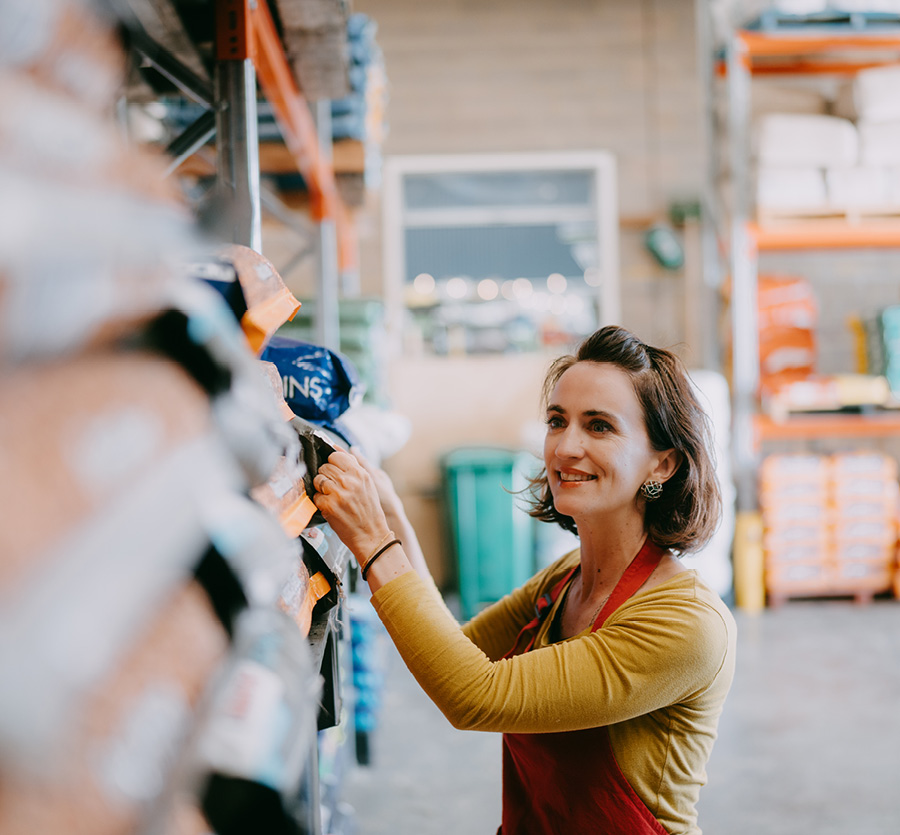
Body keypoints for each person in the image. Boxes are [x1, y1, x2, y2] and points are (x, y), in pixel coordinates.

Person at [312, 325, 737, 835]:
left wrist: (374, 544)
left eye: (599, 426)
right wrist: (392, 515)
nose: (565, 447)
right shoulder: (565, 581)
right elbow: (456, 649)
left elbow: (474, 694)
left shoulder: (685, 624)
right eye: (558, 421)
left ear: (662, 463)